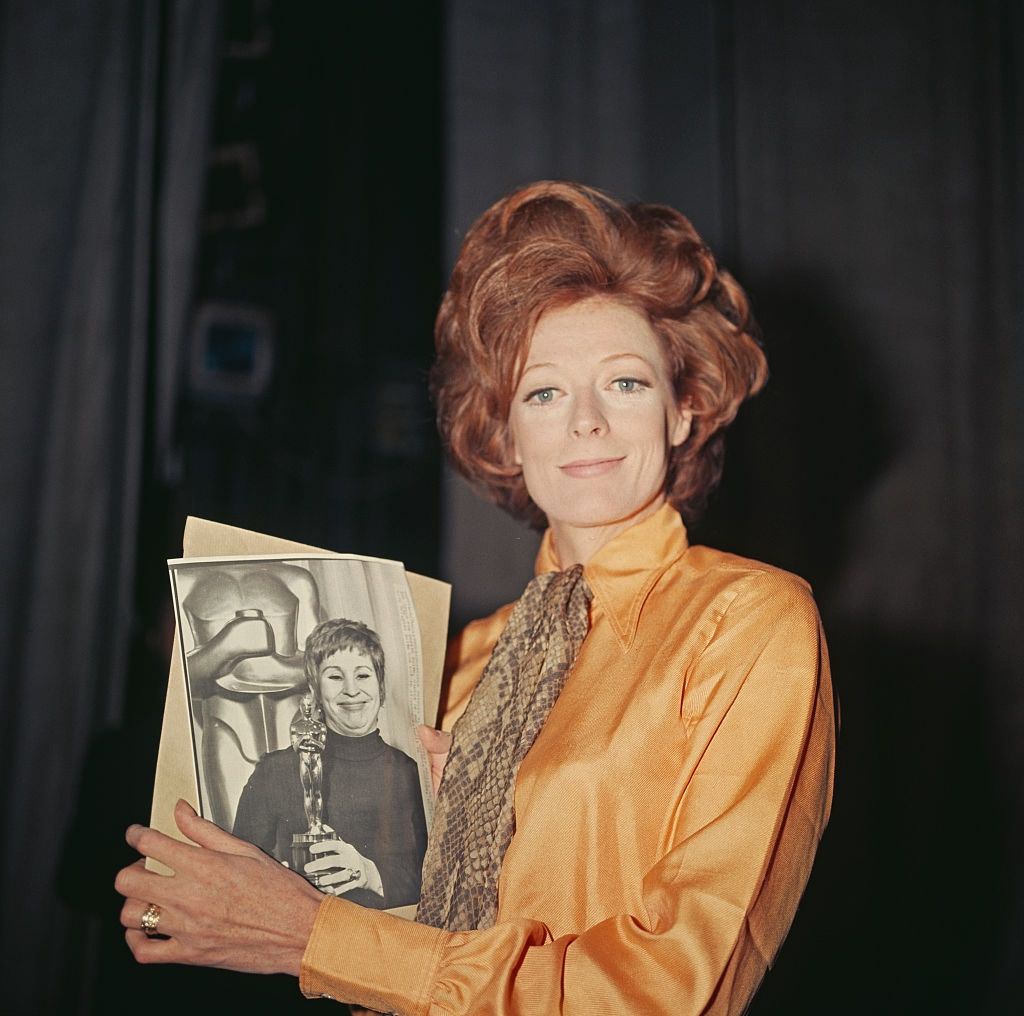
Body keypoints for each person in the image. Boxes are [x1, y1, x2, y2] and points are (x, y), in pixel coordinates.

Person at [116, 181, 835, 1015]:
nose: (586, 421)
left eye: (627, 383)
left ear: (684, 410)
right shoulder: (455, 657)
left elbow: (672, 993)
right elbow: (404, 937)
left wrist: (313, 937)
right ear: (505, 432)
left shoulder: (750, 622)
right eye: (543, 392)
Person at [231, 618, 428, 910]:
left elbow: (433, 883)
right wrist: (282, 882)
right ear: (315, 692)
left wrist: (368, 874)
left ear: (381, 687)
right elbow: (235, 873)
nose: (351, 690)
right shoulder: (275, 771)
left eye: (362, 676)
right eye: (335, 677)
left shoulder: (410, 773)